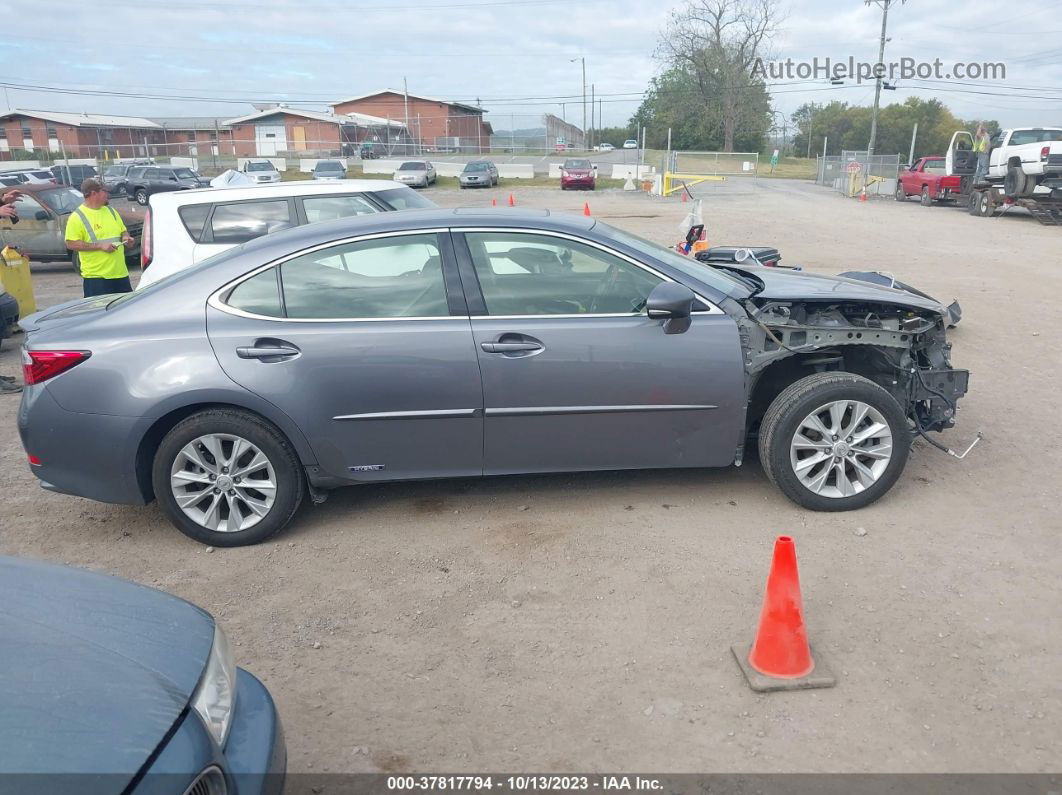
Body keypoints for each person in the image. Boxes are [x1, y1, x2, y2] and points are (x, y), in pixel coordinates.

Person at [65, 178, 136, 297]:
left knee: (125, 314)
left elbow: (123, 231)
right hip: (97, 279)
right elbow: (71, 243)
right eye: (105, 191)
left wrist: (126, 238)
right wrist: (100, 246)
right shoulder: (77, 217)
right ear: (94, 193)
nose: (108, 195)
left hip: (120, 274)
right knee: (101, 314)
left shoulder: (111, 211)